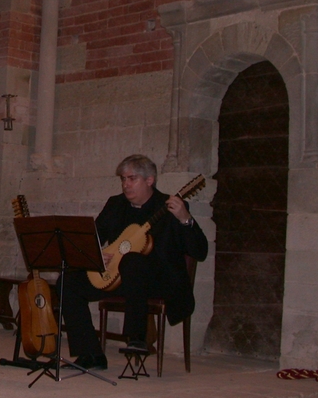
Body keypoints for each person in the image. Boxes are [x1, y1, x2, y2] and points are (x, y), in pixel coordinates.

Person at [60, 154, 208, 370]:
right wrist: (96, 255)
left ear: (150, 180)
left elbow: (200, 251)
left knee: (133, 261)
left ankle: (137, 338)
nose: (125, 185)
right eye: (123, 179)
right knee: (69, 280)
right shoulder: (115, 204)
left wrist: (185, 219)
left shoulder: (169, 207)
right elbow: (93, 239)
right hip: (120, 278)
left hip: (159, 281)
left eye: (132, 179)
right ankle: (90, 354)